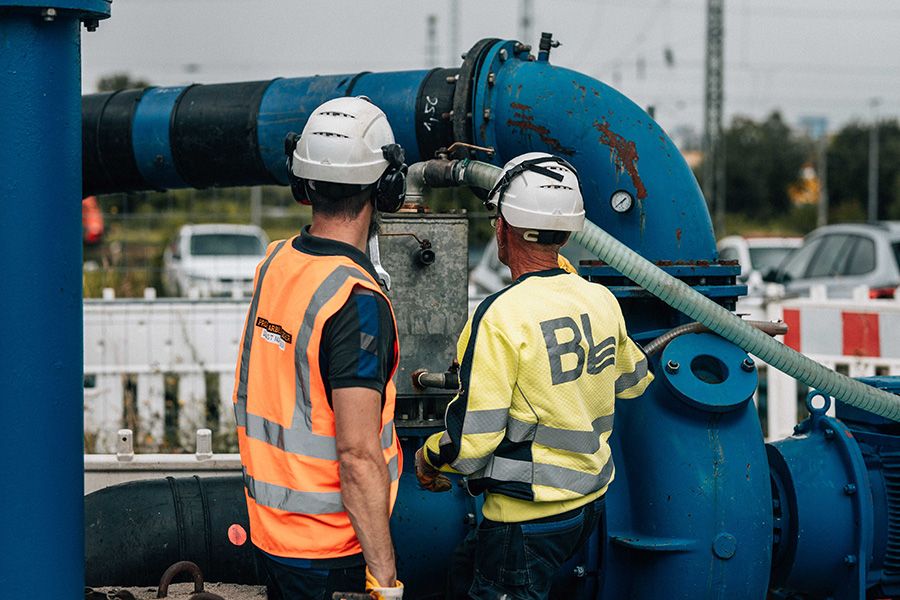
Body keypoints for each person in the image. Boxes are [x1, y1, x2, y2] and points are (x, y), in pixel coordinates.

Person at [415, 152, 654, 600]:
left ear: (504, 227)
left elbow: (471, 446)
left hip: (527, 513)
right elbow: (633, 381)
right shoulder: (599, 299)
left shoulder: (500, 317)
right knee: (465, 570)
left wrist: (429, 458)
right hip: (586, 505)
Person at [233, 96, 407, 600]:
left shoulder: (276, 263)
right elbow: (356, 454)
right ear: (386, 185)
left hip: (271, 531)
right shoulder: (354, 301)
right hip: (329, 549)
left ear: (303, 183)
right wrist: (385, 579)